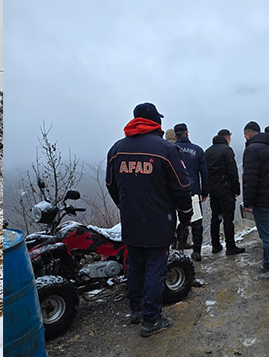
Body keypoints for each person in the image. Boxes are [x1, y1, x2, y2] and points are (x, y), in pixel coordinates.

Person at [105, 103, 192, 337]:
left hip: (131, 219)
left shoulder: (117, 149)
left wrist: (125, 205)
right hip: (158, 220)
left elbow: (111, 185)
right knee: (155, 269)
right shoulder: (165, 149)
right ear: (156, 122)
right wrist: (185, 216)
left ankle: (135, 310)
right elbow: (182, 187)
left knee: (135, 266)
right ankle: (151, 319)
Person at [242, 121, 269, 282]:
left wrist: (248, 202)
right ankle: (268, 264)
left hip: (262, 199)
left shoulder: (251, 150)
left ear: (248, 134)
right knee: (268, 232)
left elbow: (250, 179)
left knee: (267, 236)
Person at [204, 129, 245, 256]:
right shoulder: (227, 150)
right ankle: (230, 247)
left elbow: (205, 172)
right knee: (228, 218)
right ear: (227, 138)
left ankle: (215, 245)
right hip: (225, 189)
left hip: (213, 190)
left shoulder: (208, 151)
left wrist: (206, 189)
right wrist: (236, 189)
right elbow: (232, 171)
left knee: (215, 217)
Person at [173, 123, 209, 261]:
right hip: (193, 191)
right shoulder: (197, 150)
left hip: (176, 192)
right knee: (196, 223)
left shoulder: (171, 150)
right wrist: (204, 192)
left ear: (175, 136)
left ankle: (180, 252)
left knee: (179, 222)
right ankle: (197, 251)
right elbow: (204, 173)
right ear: (187, 133)